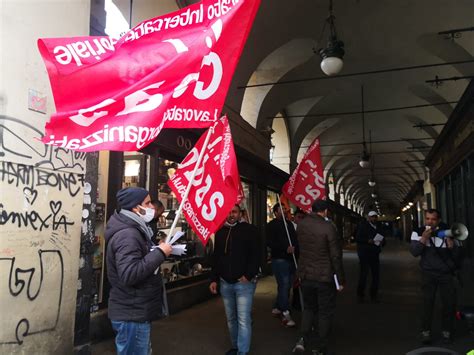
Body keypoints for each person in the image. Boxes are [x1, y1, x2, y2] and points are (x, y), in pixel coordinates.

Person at [105, 187, 173, 355]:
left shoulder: (136, 229)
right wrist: (160, 253)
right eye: (148, 203)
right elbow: (129, 273)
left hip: (134, 311)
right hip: (131, 313)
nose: (152, 207)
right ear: (136, 207)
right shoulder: (128, 234)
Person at [293, 199, 345, 355]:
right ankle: (320, 346)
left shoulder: (301, 225)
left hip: (306, 275)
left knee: (308, 308)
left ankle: (302, 340)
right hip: (324, 277)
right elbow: (335, 256)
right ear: (325, 211)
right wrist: (340, 279)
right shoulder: (328, 227)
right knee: (324, 311)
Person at [209, 204, 261, 355]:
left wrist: (248, 275)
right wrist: (214, 279)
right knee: (231, 319)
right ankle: (235, 347)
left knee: (243, 319)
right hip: (225, 283)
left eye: (234, 212)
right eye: (228, 212)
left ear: (240, 214)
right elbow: (216, 259)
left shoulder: (250, 231)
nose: (231, 214)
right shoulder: (220, 233)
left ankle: (242, 352)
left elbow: (257, 255)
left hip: (244, 283)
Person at [410, 208, 464, 345]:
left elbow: (458, 257)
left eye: (433, 219)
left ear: (438, 220)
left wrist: (453, 247)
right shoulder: (418, 231)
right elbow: (415, 252)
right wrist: (424, 238)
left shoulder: (448, 232)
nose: (430, 222)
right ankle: (425, 332)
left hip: (445, 274)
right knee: (427, 303)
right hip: (428, 273)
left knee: (448, 304)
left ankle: (447, 331)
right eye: (427, 219)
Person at [266, 203, 299, 327]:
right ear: (275, 212)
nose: (284, 211)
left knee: (286, 285)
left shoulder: (289, 224)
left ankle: (277, 307)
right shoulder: (271, 225)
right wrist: (285, 248)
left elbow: (294, 239)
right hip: (279, 259)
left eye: (285, 209)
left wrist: (295, 249)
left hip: (291, 259)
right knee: (284, 285)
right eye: (281, 209)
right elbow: (269, 242)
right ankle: (285, 312)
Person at [355, 210, 384, 303]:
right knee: (364, 274)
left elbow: (383, 238)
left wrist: (382, 242)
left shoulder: (379, 227)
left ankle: (373, 295)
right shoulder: (363, 226)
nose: (374, 218)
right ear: (369, 218)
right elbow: (358, 238)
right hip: (364, 254)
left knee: (376, 275)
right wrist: (368, 241)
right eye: (372, 217)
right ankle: (360, 295)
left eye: (375, 217)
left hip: (375, 254)